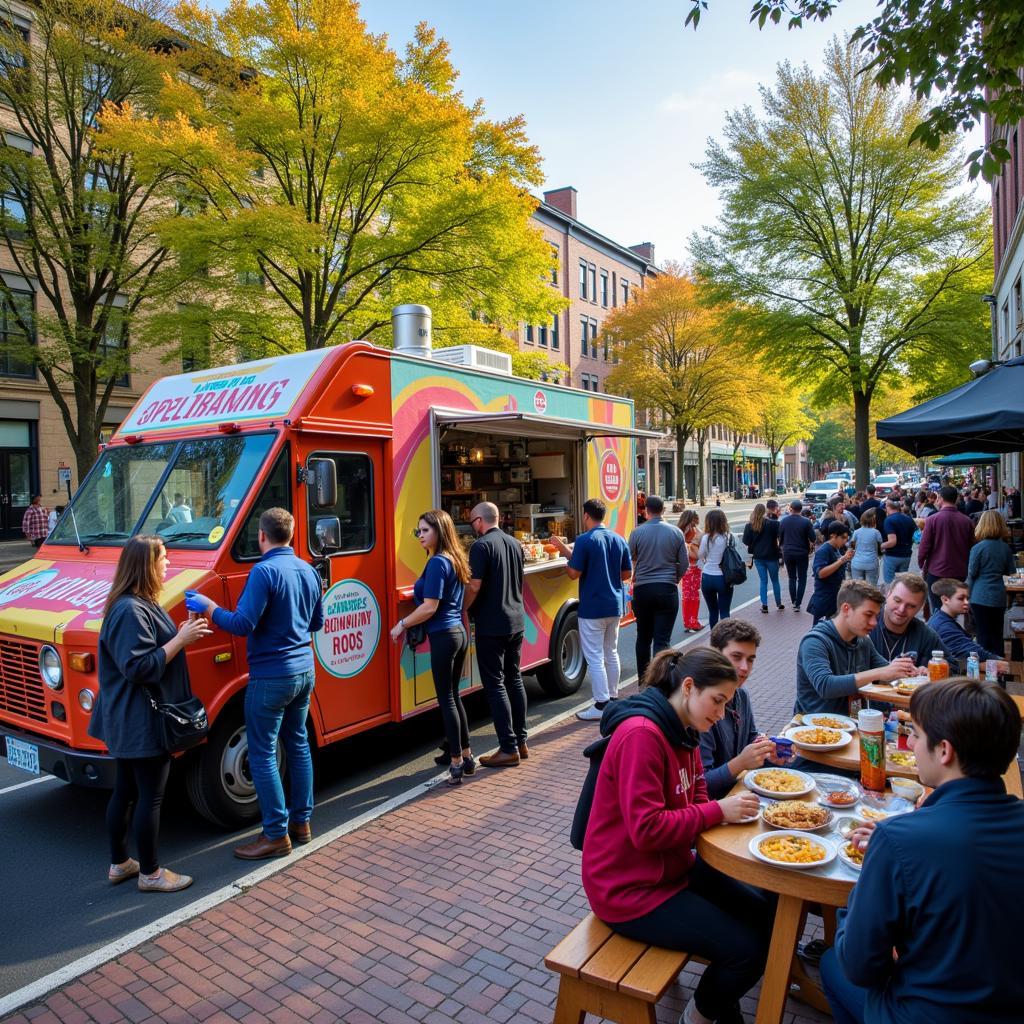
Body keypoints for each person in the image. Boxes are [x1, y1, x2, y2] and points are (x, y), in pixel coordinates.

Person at [582, 647, 775, 1024]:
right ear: (688, 687)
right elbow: (647, 830)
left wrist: (709, 809)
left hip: (671, 869)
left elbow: (698, 786)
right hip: (627, 890)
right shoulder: (643, 735)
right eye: (716, 701)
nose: (720, 714)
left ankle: (721, 1000)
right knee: (746, 951)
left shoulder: (683, 727)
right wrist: (717, 812)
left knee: (766, 912)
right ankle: (699, 1016)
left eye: (725, 703)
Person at [820, 679, 1024, 1024]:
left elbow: (860, 966)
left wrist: (873, 874)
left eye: (915, 733)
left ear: (944, 751)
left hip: (925, 1012)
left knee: (831, 964)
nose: (910, 743)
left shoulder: (897, 840)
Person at [195, 508, 324, 853]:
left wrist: (208, 607)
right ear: (292, 535)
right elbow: (317, 623)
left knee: (264, 752)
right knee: (298, 745)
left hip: (270, 675)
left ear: (262, 536)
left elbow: (241, 624)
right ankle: (302, 822)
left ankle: (275, 834)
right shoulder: (309, 571)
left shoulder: (263, 572)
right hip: (304, 670)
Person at [88, 536, 211, 892]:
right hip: (141, 720)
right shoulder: (130, 610)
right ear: (146, 566)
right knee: (149, 797)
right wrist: (180, 640)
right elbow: (138, 667)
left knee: (126, 791)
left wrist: (183, 635)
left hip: (129, 717)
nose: (168, 565)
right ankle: (151, 873)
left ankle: (120, 864)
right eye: (164, 559)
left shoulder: (137, 603)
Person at [389, 509, 473, 784]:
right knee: (454, 696)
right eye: (418, 531)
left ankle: (457, 763)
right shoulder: (454, 558)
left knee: (447, 698)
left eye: (425, 530)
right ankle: (468, 755)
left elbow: (429, 607)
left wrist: (402, 624)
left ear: (440, 530)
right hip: (458, 633)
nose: (420, 536)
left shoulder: (438, 563)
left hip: (444, 635)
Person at [551, 499, 631, 722]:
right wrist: (567, 551)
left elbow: (573, 573)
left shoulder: (585, 540)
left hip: (593, 607)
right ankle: (613, 699)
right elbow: (626, 574)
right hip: (614, 605)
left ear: (586, 515)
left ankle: (601, 703)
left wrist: (566, 558)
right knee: (610, 652)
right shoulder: (618, 538)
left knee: (594, 657)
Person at [464, 501, 527, 768]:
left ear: (480, 520)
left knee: (495, 684)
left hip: (491, 624)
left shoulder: (480, 546)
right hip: (516, 621)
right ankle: (521, 742)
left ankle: (508, 747)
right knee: (514, 679)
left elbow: (475, 586)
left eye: (471, 522)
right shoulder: (514, 543)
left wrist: (461, 609)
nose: (472, 526)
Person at [795, 580, 917, 717]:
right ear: (846, 609)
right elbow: (825, 686)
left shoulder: (863, 641)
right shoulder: (814, 641)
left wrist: (910, 672)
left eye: (876, 616)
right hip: (812, 729)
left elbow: (887, 670)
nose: (874, 623)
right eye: (868, 615)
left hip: (853, 723)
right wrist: (881, 673)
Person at [700, 620, 791, 799]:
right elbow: (701, 785)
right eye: (736, 657)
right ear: (715, 654)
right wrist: (740, 763)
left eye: (750, 659)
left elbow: (749, 738)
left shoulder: (741, 695)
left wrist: (767, 753)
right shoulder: (701, 707)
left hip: (738, 795)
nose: (745, 668)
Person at [628, 495, 686, 681]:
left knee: (643, 638)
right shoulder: (676, 532)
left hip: (643, 590)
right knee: (662, 640)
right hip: (667, 589)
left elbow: (629, 559)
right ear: (664, 510)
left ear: (646, 510)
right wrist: (674, 578)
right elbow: (684, 563)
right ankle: (659, 683)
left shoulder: (637, 533)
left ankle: (643, 682)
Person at [867, 573, 947, 671]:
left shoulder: (924, 634)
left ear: (920, 607)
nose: (901, 609)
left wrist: (930, 670)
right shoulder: (864, 623)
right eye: (897, 600)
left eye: (911, 606)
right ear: (888, 594)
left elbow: (953, 667)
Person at [928, 579, 1008, 674]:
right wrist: (1002, 662)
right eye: (961, 598)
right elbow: (973, 652)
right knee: (1004, 667)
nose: (966, 602)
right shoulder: (943, 626)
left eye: (967, 598)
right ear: (945, 600)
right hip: (947, 677)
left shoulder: (941, 617)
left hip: (953, 668)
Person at [917, 485, 975, 614]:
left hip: (936, 571)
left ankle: (942, 631)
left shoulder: (932, 520)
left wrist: (922, 564)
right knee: (955, 607)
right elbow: (972, 546)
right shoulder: (967, 521)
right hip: (959, 571)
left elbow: (924, 546)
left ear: (941, 499)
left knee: (939, 608)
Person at [967, 510, 1018, 658]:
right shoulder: (1005, 548)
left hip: (979, 595)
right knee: (997, 635)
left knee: (982, 634)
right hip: (998, 596)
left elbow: (972, 574)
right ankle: (1000, 671)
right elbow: (1011, 572)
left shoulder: (977, 548)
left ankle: (983, 672)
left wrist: (967, 596)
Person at [807, 522, 853, 625]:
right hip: (825, 599)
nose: (845, 541)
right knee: (820, 631)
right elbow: (820, 573)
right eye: (843, 537)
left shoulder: (836, 549)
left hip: (834, 597)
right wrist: (842, 560)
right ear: (833, 535)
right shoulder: (824, 551)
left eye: (847, 538)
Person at [742, 502, 783, 614]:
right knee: (775, 580)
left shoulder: (749, 526)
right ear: (765, 512)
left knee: (763, 581)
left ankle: (764, 605)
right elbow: (780, 537)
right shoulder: (773, 524)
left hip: (758, 557)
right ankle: (778, 603)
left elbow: (745, 541)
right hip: (772, 555)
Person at [697, 508, 734, 628]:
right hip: (723, 577)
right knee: (724, 612)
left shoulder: (705, 538)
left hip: (707, 576)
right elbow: (738, 554)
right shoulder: (728, 537)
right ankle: (725, 638)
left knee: (713, 611)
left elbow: (700, 555)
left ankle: (713, 638)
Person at [779, 498, 816, 613]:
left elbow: (780, 537)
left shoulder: (784, 521)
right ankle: (798, 603)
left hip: (788, 552)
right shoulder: (806, 522)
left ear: (791, 509)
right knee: (802, 577)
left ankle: (793, 600)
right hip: (801, 552)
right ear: (801, 509)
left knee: (792, 577)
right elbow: (813, 538)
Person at [677, 509, 703, 632]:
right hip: (693, 567)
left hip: (685, 568)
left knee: (687, 597)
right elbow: (699, 555)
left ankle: (688, 622)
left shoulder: (678, 532)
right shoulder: (697, 533)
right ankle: (692, 622)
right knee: (693, 596)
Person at [879, 497, 916, 583]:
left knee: (890, 584)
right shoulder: (909, 519)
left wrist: (879, 546)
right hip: (906, 555)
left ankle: (891, 597)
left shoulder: (889, 520)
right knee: (902, 583)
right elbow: (916, 538)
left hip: (892, 556)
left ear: (888, 507)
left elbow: (892, 542)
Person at [849, 508, 883, 585]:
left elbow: (852, 544)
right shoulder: (876, 532)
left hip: (857, 562)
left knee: (857, 586)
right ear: (873, 520)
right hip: (871, 562)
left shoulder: (856, 532)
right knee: (871, 586)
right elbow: (881, 545)